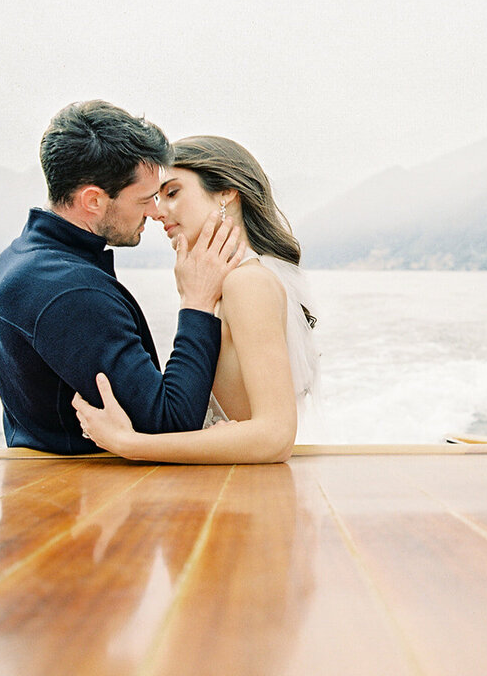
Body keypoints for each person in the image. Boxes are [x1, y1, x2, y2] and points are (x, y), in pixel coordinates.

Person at [0, 100, 242, 454]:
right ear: (93, 201)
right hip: (87, 497)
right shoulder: (70, 292)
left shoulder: (14, 259)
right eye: (144, 199)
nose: (154, 212)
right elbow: (172, 423)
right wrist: (196, 302)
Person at [72, 136, 320, 464]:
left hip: (243, 498)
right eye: (156, 198)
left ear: (226, 192)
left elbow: (275, 436)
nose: (158, 212)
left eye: (172, 193)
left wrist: (128, 443)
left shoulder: (247, 282)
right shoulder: (218, 284)